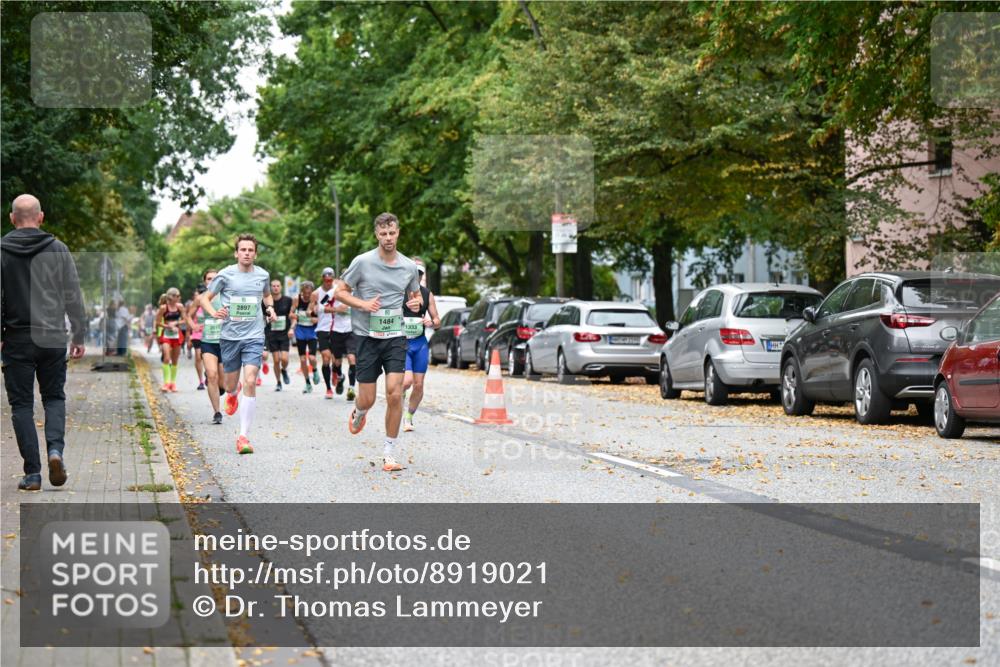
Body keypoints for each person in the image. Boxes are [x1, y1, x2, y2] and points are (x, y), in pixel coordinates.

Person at [1, 194, 86, 491]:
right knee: (54, 398)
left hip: (17, 338)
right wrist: (79, 334)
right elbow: (73, 293)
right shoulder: (58, 249)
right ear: (41, 217)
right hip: (51, 336)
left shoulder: (2, 251)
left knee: (22, 404)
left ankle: (33, 473)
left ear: (12, 218)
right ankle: (55, 451)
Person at [335, 212, 422, 472]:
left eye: (392, 233)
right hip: (366, 337)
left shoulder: (408, 266)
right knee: (368, 399)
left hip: (395, 335)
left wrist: (415, 303)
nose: (388, 238)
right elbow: (340, 291)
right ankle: (359, 411)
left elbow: (415, 295)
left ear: (398, 232)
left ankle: (389, 453)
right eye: (383, 234)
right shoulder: (362, 262)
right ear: (376, 234)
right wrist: (363, 304)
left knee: (396, 393)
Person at [200, 233, 277, 454]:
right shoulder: (225, 274)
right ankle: (233, 394)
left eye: (250, 250)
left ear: (255, 253)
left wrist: (270, 309)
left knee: (251, 380)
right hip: (230, 337)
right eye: (243, 250)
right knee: (231, 384)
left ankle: (243, 436)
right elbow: (205, 298)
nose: (246, 253)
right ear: (236, 253)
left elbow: (267, 296)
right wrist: (215, 312)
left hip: (254, 336)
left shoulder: (262, 275)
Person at [401, 259, 440, 432]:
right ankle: (398, 407)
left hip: (420, 343)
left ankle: (408, 417)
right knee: (406, 381)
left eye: (419, 274)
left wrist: (431, 322)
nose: (416, 276)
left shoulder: (426, 294)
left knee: (418, 385)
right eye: (413, 273)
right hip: (402, 343)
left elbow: (438, 320)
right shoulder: (398, 292)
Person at [195, 269, 226, 424]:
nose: (212, 281)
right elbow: (189, 314)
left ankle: (222, 388)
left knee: (222, 383)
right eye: (209, 278)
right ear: (205, 281)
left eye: (215, 278)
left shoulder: (226, 296)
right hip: (208, 341)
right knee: (212, 375)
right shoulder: (201, 298)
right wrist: (193, 325)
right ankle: (217, 412)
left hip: (225, 343)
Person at [329, 272, 358, 401]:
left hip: (351, 331)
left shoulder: (356, 294)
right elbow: (322, 307)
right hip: (336, 330)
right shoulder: (333, 294)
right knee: (337, 361)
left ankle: (351, 388)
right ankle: (340, 377)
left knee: (352, 358)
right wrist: (336, 309)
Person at [314, 267, 341, 399]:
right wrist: (310, 311)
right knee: (326, 357)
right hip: (322, 328)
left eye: (331, 280)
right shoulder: (316, 293)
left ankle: (336, 372)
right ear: (322, 279)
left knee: (337, 360)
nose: (328, 282)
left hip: (337, 327)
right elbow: (313, 309)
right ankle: (328, 388)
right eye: (326, 280)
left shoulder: (339, 290)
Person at [291, 280, 319, 394]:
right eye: (305, 293)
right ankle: (307, 383)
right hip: (300, 331)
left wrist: (315, 319)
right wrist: (296, 316)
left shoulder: (316, 301)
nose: (307, 295)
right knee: (302, 359)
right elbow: (290, 314)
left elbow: (320, 318)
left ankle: (315, 371)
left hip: (312, 331)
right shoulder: (297, 299)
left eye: (309, 293)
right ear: (302, 292)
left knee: (312, 358)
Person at [265, 278, 294, 391]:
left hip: (284, 334)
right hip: (272, 334)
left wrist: (292, 328)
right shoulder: (267, 301)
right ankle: (278, 382)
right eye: (273, 286)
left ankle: (284, 370)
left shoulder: (288, 300)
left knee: (284, 359)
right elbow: (263, 315)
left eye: (277, 286)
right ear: (270, 288)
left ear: (281, 287)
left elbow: (293, 315)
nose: (275, 288)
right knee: (276, 360)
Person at [155, 287, 185, 392]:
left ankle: (173, 383)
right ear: (171, 297)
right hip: (166, 335)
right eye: (177, 296)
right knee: (167, 358)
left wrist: (176, 323)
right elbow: (158, 322)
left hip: (177, 335)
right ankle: (166, 383)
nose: (179, 298)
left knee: (175, 360)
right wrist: (167, 326)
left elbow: (185, 319)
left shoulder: (180, 307)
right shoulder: (163, 308)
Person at [186, 285, 208, 390]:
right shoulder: (194, 305)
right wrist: (189, 335)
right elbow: (188, 318)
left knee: (208, 357)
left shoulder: (211, 303)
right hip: (197, 335)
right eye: (200, 293)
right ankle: (201, 381)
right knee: (199, 356)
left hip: (210, 334)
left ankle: (209, 374)